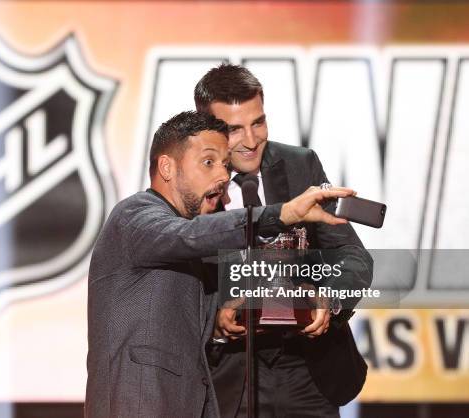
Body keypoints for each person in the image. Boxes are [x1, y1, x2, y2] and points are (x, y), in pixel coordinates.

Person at [85, 110, 356, 418]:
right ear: (166, 167)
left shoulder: (193, 244)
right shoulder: (134, 215)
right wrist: (281, 214)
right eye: (209, 162)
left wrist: (220, 322)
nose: (224, 176)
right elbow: (188, 236)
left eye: (226, 165)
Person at [195, 64, 374, 418]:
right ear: (207, 131)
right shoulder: (190, 181)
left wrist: (327, 300)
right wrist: (213, 321)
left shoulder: (300, 165)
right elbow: (173, 280)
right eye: (234, 129)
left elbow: (353, 257)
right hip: (228, 376)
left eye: (258, 123)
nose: (250, 140)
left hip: (308, 370)